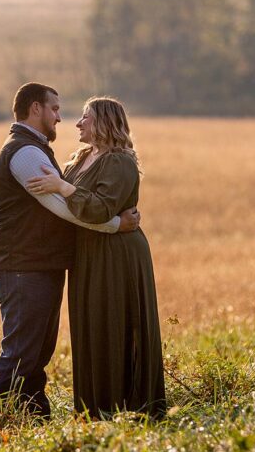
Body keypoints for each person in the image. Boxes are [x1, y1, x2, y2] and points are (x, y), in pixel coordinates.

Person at [0, 83, 141, 419]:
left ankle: (34, 418)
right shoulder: (25, 153)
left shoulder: (36, 148)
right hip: (24, 266)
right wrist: (116, 225)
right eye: (54, 109)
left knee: (37, 351)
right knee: (21, 351)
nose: (60, 117)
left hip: (39, 264)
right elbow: (60, 206)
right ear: (35, 109)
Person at [25, 96, 166, 420]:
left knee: (114, 321)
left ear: (103, 122)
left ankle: (129, 407)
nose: (77, 123)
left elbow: (100, 207)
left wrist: (64, 188)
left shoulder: (119, 162)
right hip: (88, 252)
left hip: (116, 254)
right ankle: (94, 410)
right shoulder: (81, 158)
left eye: (85, 117)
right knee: (90, 325)